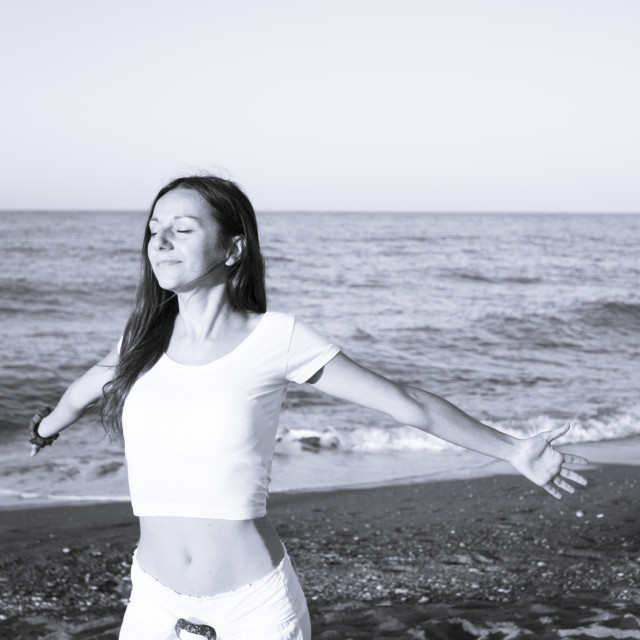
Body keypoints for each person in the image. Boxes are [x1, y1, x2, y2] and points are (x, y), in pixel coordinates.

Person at [28, 175, 588, 640]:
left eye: (182, 228)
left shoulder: (277, 338)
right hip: (151, 604)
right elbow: (85, 389)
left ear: (233, 247)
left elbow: (405, 402)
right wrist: (46, 427)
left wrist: (513, 450)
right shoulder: (141, 337)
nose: (160, 242)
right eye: (154, 229)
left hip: (253, 611)